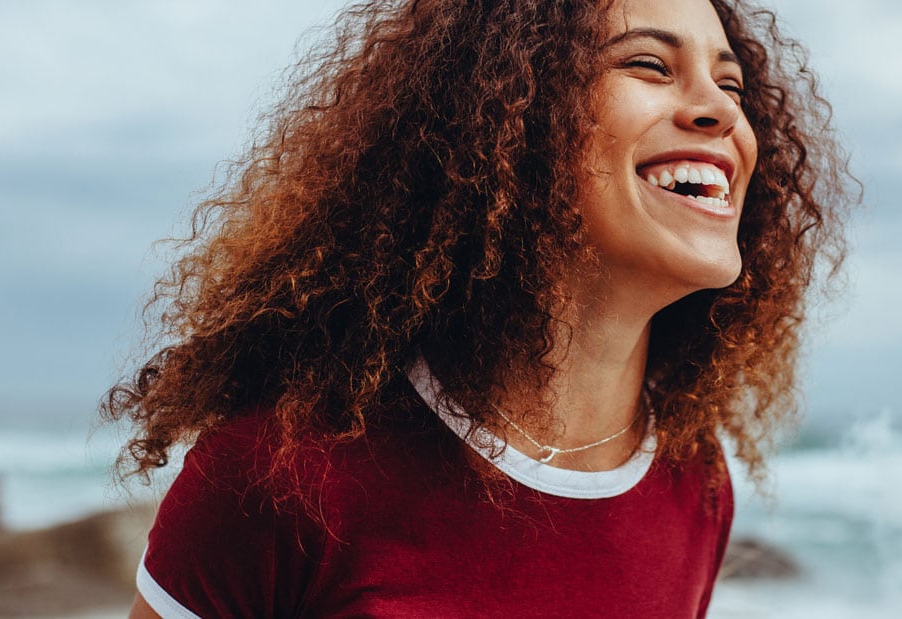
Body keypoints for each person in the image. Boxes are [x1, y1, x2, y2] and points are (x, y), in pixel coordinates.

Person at [108, 0, 852, 616]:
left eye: (734, 85)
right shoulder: (287, 472)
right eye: (649, 65)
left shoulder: (694, 479)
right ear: (508, 118)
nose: (720, 109)